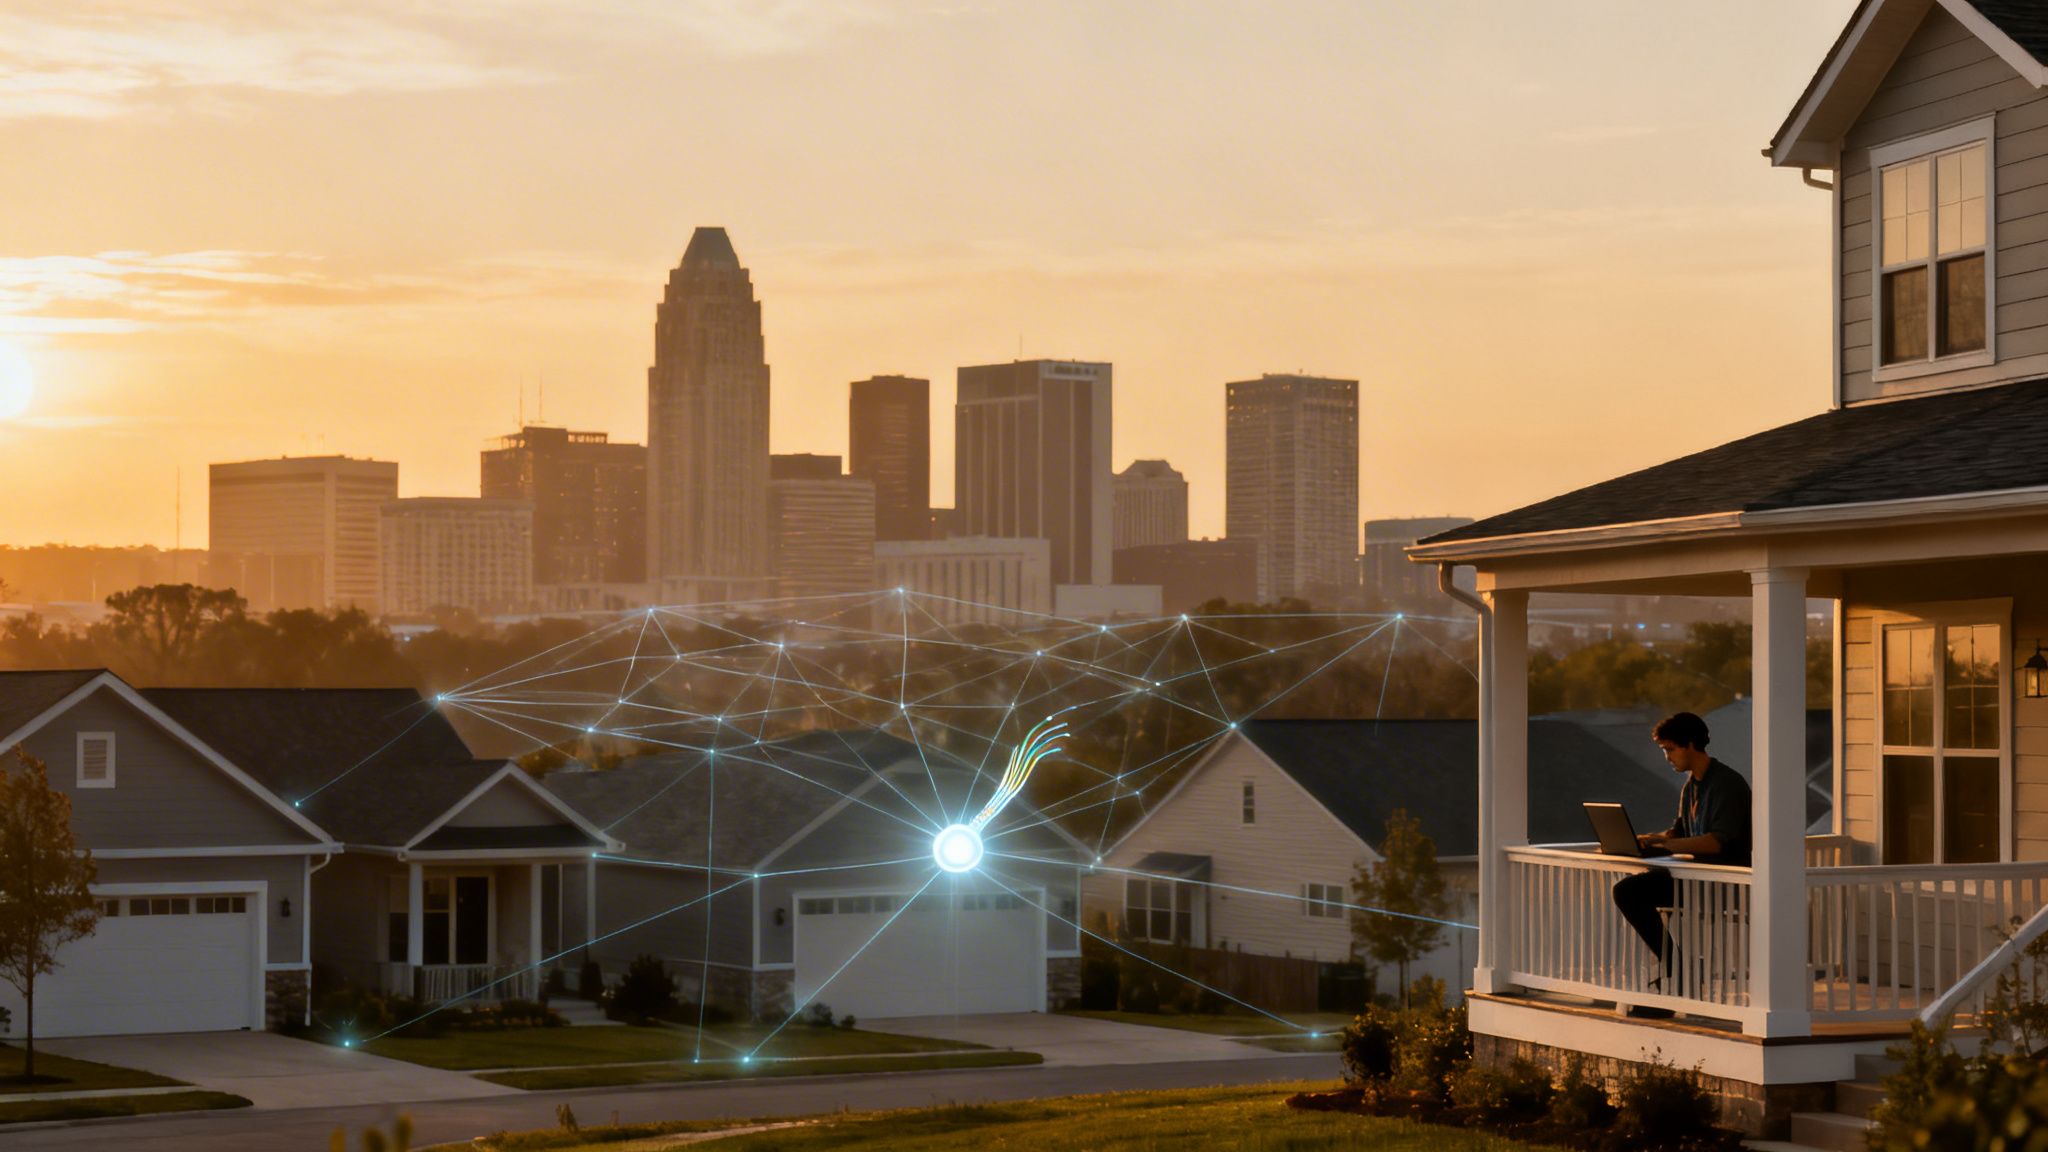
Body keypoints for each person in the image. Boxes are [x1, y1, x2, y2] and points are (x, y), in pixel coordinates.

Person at [1611, 711, 1751, 1019]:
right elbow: (1679, 833)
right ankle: (1680, 972)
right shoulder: (1692, 786)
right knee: (1629, 891)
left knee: (1629, 892)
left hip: (1723, 883)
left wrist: (1665, 845)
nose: (1667, 757)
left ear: (1691, 745)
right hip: (1694, 878)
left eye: (1670, 749)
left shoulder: (1728, 784)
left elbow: (1717, 842)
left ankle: (1679, 972)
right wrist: (1648, 840)